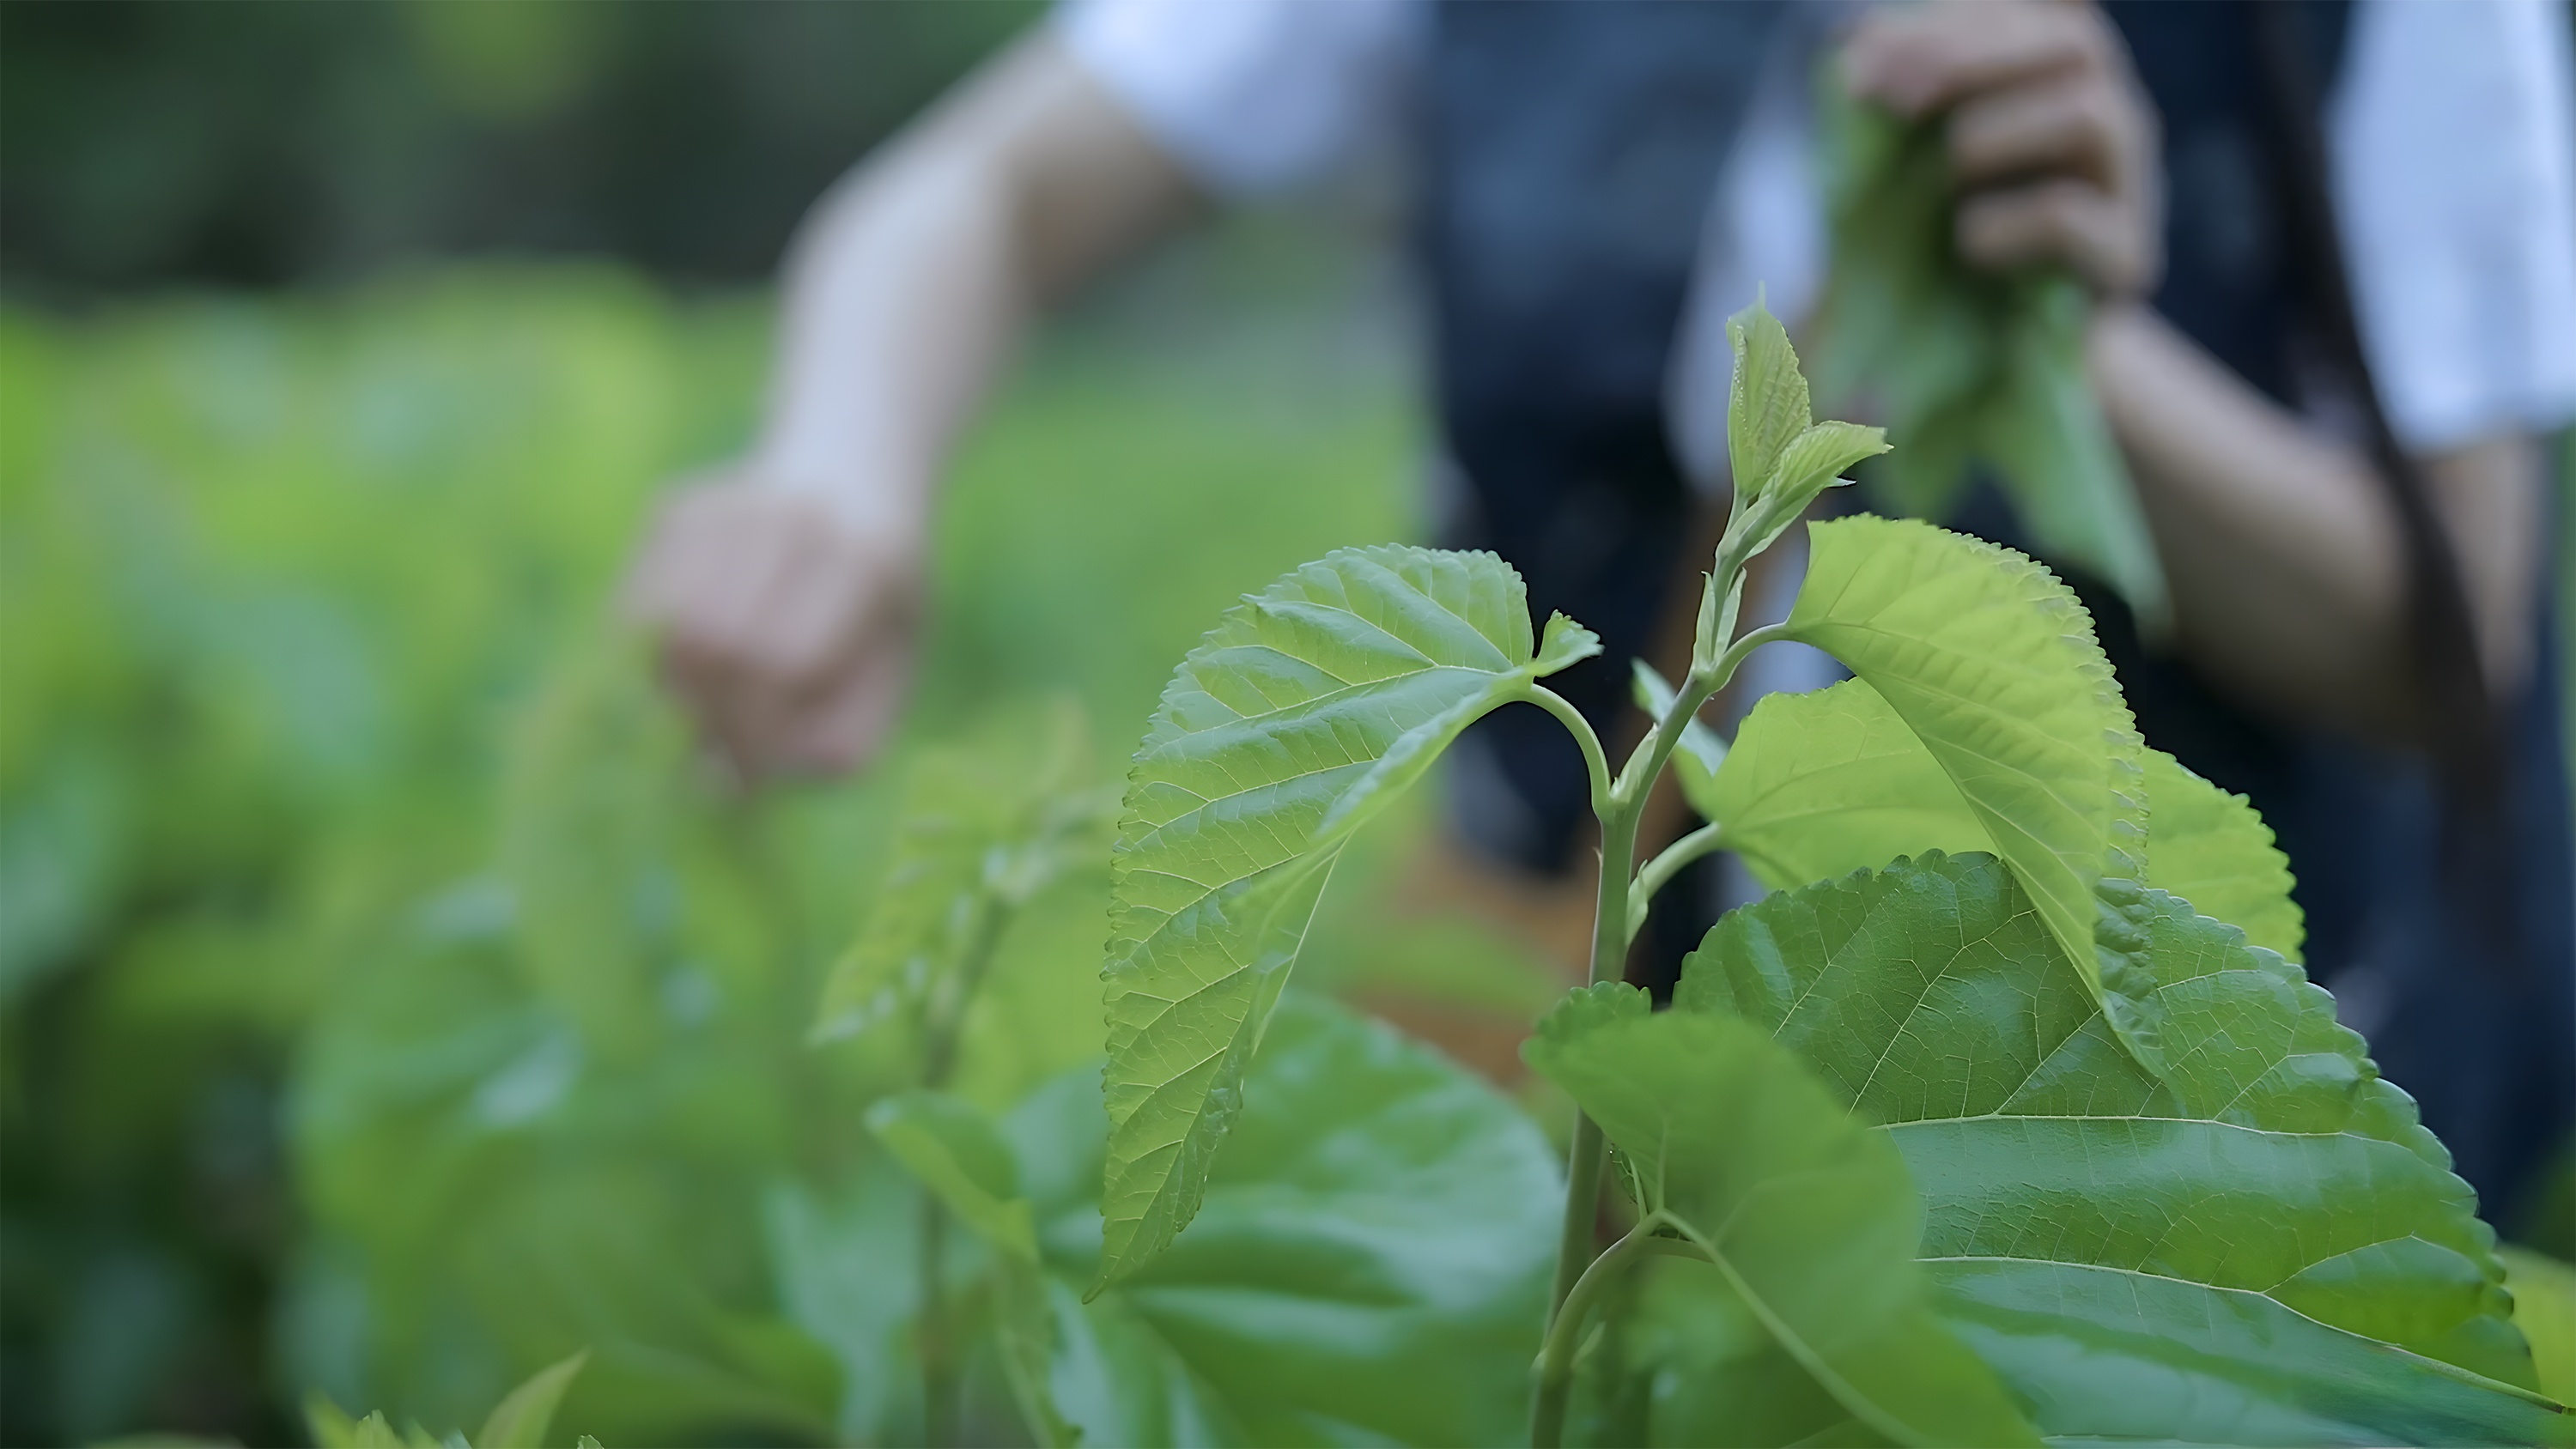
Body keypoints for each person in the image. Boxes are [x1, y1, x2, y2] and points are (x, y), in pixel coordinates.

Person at [623, 0, 2576, 1226]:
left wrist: (2073, 335)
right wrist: (839, 471)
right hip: (1580, 1041)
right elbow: (978, 190)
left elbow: (2457, 648)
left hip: (2154, 1116)